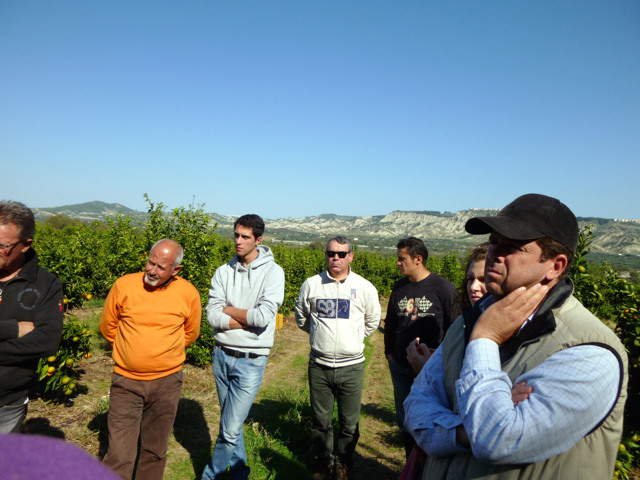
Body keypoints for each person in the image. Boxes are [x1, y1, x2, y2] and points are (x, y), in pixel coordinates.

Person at [404, 193, 628, 479]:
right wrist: (465, 433)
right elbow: (416, 408)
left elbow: (497, 440)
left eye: (513, 247)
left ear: (555, 266)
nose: (495, 254)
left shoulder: (590, 351)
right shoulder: (465, 324)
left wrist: (485, 339)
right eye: (494, 242)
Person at [99, 239, 201, 480]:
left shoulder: (188, 293)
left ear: (175, 270)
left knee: (154, 451)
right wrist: (130, 349)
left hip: (167, 383)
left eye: (160, 267)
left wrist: (162, 353)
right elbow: (108, 326)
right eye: (150, 262)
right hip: (126, 382)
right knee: (119, 453)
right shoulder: (124, 285)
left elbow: (191, 333)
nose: (152, 270)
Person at [202, 214, 285, 480]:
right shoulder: (223, 271)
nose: (238, 241)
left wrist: (228, 310)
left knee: (228, 430)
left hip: (251, 360)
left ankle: (210, 476)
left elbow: (263, 317)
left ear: (258, 240)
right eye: (236, 235)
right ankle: (240, 473)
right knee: (231, 424)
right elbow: (211, 316)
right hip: (221, 355)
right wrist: (246, 319)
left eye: (245, 237)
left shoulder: (273, 272)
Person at [295, 236, 381, 480]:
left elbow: (372, 321)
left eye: (341, 254)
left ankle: (343, 462)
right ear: (326, 255)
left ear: (350, 256)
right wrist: (320, 336)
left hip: (351, 367)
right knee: (320, 421)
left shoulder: (364, 287)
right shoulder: (312, 284)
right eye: (331, 253)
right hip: (319, 365)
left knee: (349, 423)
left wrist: (351, 339)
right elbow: (302, 317)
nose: (336, 258)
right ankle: (323, 464)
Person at [383, 237, 459, 458]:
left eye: (402, 258)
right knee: (406, 419)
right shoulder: (399, 286)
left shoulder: (443, 288)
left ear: (418, 259)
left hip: (431, 368)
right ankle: (411, 464)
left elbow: (455, 327)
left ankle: (429, 464)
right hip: (400, 365)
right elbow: (391, 322)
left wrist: (444, 361)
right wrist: (389, 353)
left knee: (431, 418)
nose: (397, 263)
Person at [0, 201, 63, 433]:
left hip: (7, 402)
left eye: (3, 246)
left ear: (26, 245)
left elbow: (47, 341)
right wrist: (13, 329)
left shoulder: (46, 284)